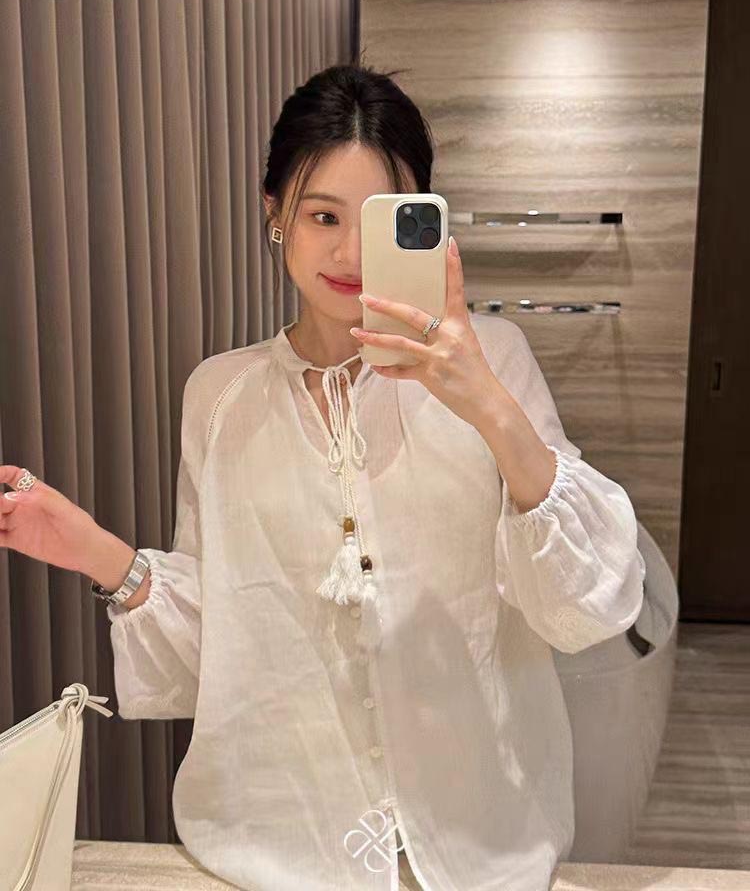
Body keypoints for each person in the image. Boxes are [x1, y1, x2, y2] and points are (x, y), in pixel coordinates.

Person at [0, 63, 645, 891]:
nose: (350, 254)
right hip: (281, 847)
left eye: (379, 218)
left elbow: (587, 604)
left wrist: (485, 400)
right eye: (322, 216)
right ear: (275, 214)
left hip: (479, 843)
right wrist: (97, 552)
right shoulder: (220, 397)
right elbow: (223, 647)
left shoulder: (496, 360)